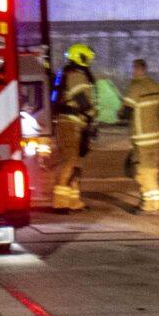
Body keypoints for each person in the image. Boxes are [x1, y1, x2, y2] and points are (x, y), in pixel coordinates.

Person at [48, 42, 97, 212]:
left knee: (75, 163)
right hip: (69, 124)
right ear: (80, 57)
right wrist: (92, 116)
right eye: (87, 59)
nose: (89, 63)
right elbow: (82, 101)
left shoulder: (73, 74)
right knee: (69, 162)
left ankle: (73, 201)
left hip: (75, 124)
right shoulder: (75, 75)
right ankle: (60, 202)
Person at [122, 58, 159, 213]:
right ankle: (155, 202)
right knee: (153, 169)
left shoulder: (135, 87)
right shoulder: (155, 85)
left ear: (137, 69)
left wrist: (119, 113)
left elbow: (125, 112)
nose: (133, 72)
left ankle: (149, 205)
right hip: (155, 137)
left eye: (133, 69)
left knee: (142, 171)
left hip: (141, 138)